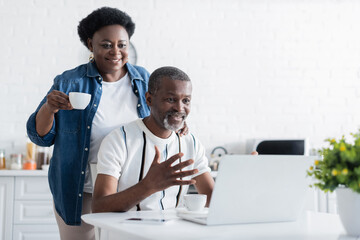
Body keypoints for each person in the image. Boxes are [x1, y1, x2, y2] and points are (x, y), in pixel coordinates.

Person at [26, 7, 186, 240]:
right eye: (106, 44)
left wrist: (177, 125)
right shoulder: (70, 81)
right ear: (91, 45)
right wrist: (49, 108)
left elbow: (161, 119)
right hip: (82, 192)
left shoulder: (143, 79)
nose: (116, 51)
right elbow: (40, 136)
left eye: (122, 44)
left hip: (132, 190)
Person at [92, 66, 215, 213]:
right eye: (171, 99)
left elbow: (212, 198)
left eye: (186, 100)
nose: (179, 108)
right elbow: (99, 207)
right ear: (149, 99)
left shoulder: (191, 143)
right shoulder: (119, 140)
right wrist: (148, 186)